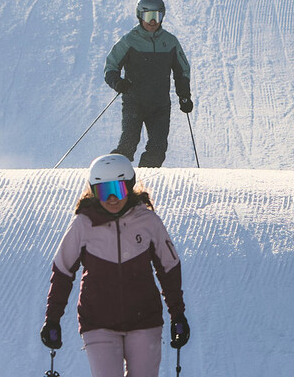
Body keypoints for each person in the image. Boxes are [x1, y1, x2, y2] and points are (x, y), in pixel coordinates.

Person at [40, 154, 190, 377]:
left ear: (129, 187)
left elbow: (169, 268)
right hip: (98, 322)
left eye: (118, 190)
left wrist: (177, 314)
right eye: (103, 191)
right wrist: (52, 319)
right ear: (93, 191)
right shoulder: (83, 224)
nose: (111, 198)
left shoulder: (148, 222)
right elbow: (62, 271)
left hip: (144, 320)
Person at [104, 0, 192, 167]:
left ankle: (145, 179)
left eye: (157, 16)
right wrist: (117, 82)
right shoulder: (129, 41)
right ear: (140, 16)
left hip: (160, 105)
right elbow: (111, 66)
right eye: (149, 16)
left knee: (158, 148)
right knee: (128, 144)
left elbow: (182, 71)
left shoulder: (170, 42)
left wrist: (184, 96)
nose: (153, 22)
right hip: (134, 102)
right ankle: (114, 178)